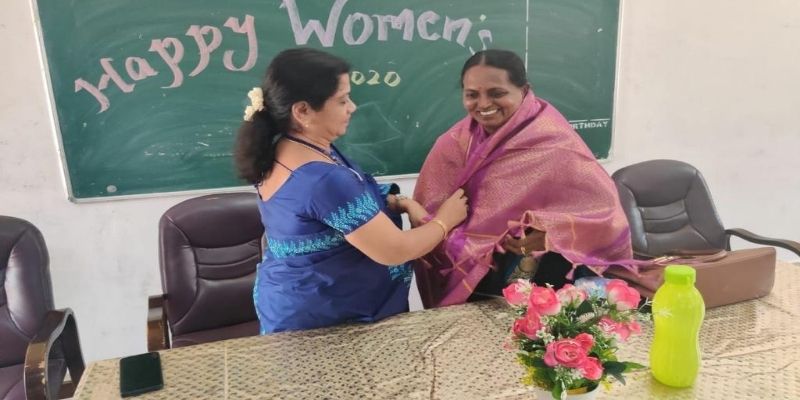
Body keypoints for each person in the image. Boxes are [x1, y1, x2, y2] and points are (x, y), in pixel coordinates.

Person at [234, 48, 468, 333]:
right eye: (342, 100)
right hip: (329, 320)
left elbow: (327, 213)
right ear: (303, 111)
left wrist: (400, 202)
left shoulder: (285, 149)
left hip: (293, 301)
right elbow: (395, 250)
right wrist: (445, 220)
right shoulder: (322, 178)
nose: (352, 107)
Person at [413, 49, 636, 308]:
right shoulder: (453, 145)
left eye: (497, 93)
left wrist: (550, 233)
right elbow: (430, 216)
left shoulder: (555, 142)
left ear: (524, 90)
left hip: (548, 282)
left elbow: (605, 214)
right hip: (474, 283)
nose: (483, 104)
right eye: (472, 95)